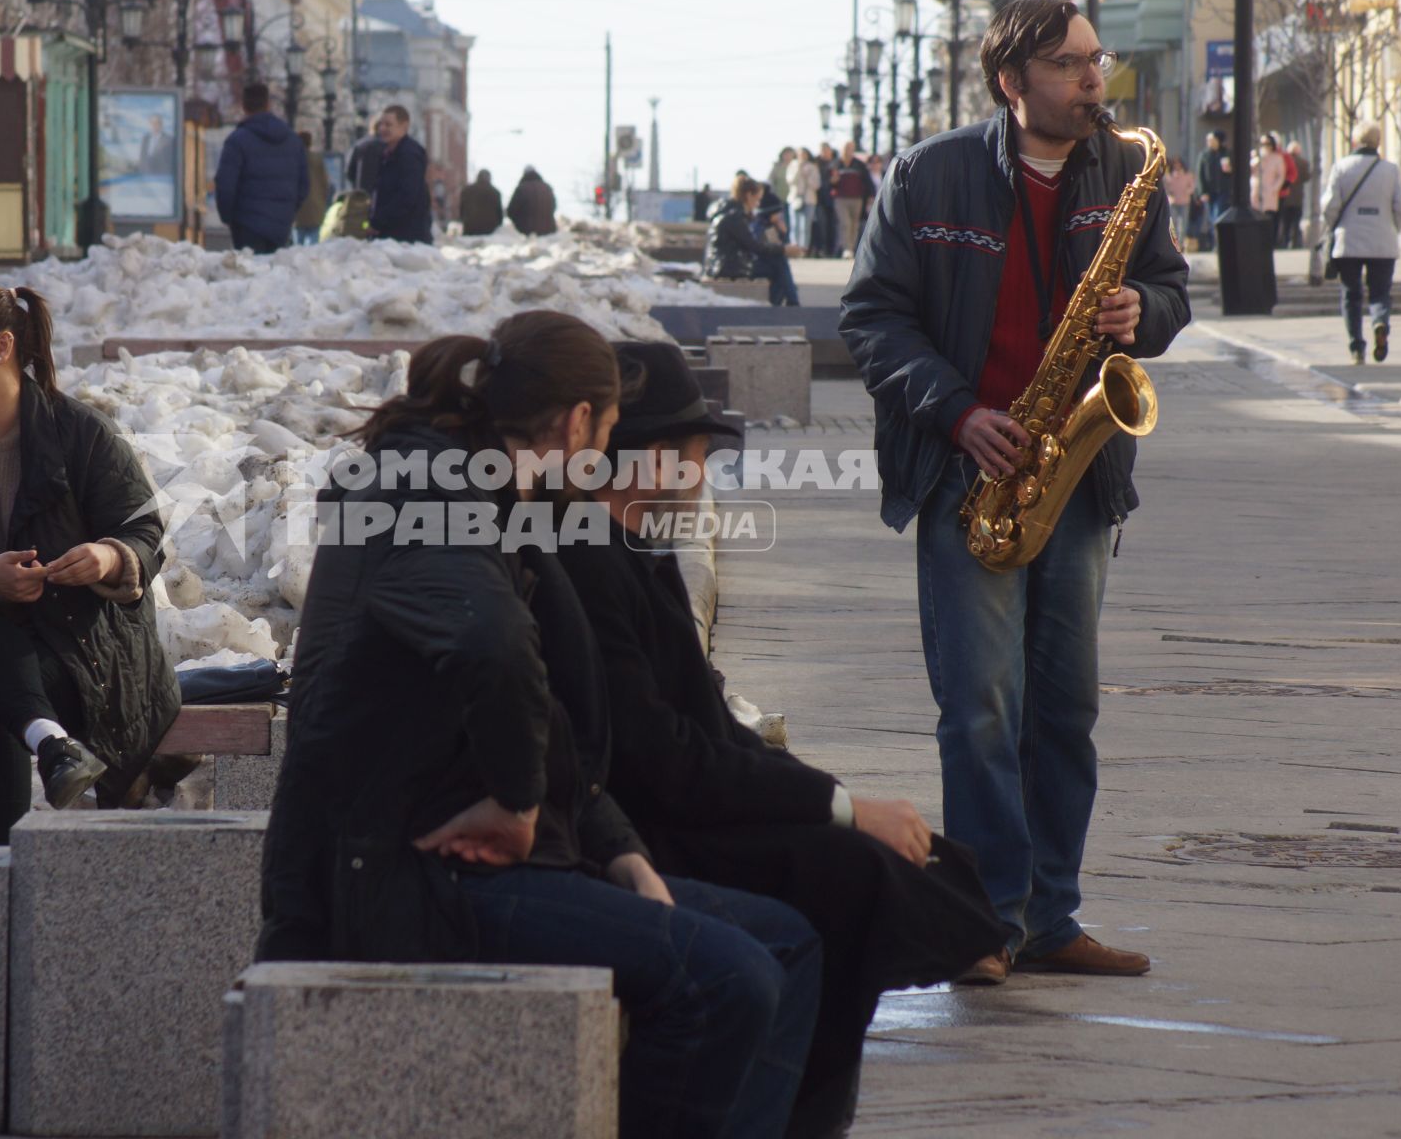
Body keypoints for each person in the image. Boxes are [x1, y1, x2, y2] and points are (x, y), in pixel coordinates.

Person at [257, 310, 823, 1139]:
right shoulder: (427, 489)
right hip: (406, 871)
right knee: (728, 980)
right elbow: (495, 647)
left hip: (495, 852)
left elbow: (553, 714)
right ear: (577, 421)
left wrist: (622, 849)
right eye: (611, 427)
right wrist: (519, 808)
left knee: (788, 944)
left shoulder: (493, 492)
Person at [559, 340, 1010, 1133]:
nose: (704, 477)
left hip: (667, 808)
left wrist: (833, 801)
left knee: (920, 863)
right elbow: (662, 759)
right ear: (655, 460)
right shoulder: (588, 559)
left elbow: (705, 729)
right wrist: (839, 809)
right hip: (634, 831)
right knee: (848, 885)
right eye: (699, 456)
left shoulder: (631, 553)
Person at [839, 0, 1191, 985]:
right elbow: (871, 318)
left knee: (1065, 707)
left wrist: (1143, 308)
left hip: (1075, 473)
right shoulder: (930, 172)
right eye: (1072, 66)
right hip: (970, 467)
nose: (1094, 81)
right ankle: (986, 922)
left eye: (1095, 60)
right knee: (983, 707)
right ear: (1011, 82)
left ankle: (1054, 915)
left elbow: (1171, 288)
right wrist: (956, 412)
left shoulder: (1123, 167)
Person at [0, 282, 180, 846]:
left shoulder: (82, 433)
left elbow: (143, 532)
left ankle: (2, 863)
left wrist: (105, 556)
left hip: (75, 652)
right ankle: (50, 747)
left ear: (3, 347)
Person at [1321, 122, 1401, 366]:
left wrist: (1333, 227)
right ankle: (1379, 321)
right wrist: (1392, 228)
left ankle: (1356, 349)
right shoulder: (1390, 170)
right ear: (1378, 142)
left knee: (1351, 295)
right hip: (1382, 242)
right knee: (1380, 292)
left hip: (1348, 241)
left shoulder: (1341, 168)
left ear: (1354, 141)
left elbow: (1329, 206)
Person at [213, 83, 309, 255]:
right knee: (274, 276)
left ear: (243, 106)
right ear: (267, 105)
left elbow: (225, 184)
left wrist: (228, 217)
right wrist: (287, 211)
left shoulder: (236, 141)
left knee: (251, 276)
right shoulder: (293, 141)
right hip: (281, 225)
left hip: (246, 224)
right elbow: (304, 186)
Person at [705, 176, 800, 306]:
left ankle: (786, 303)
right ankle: (786, 304)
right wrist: (785, 249)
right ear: (749, 195)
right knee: (779, 264)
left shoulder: (731, 212)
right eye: (757, 199)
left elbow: (753, 245)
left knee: (778, 263)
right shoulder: (734, 217)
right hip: (727, 266)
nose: (758, 204)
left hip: (724, 263)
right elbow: (754, 247)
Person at [366, 104, 432, 243]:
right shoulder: (389, 153)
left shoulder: (409, 154)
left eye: (388, 125)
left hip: (407, 237)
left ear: (404, 126)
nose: (382, 129)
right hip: (393, 234)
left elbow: (407, 196)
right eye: (381, 124)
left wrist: (378, 221)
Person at [830, 141, 872, 256]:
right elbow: (828, 182)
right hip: (840, 198)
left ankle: (851, 248)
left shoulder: (859, 165)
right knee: (845, 223)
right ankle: (846, 248)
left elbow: (866, 181)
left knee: (854, 224)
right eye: (846, 148)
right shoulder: (835, 164)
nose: (848, 150)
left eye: (850, 148)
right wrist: (833, 181)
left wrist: (870, 196)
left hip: (856, 198)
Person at [292, 131, 329, 246]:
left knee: (299, 241)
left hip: (299, 207)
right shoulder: (317, 158)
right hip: (316, 204)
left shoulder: (294, 159)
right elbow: (325, 183)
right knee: (314, 240)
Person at [1197, 130, 1231, 248]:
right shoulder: (1205, 155)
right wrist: (1202, 192)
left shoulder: (1226, 153)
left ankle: (1220, 243)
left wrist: (1230, 169)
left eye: (1212, 140)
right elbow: (1200, 174)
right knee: (1212, 218)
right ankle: (1216, 242)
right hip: (1210, 192)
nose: (1209, 142)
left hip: (1223, 191)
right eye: (1208, 140)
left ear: (1219, 141)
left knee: (1219, 215)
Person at [507, 165, 558, 236]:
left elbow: (511, 210)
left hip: (527, 230)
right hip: (549, 231)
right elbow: (554, 207)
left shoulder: (522, 188)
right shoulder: (547, 187)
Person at [786, 147, 818, 250]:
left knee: (805, 225)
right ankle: (795, 246)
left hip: (809, 199)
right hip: (795, 198)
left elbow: (816, 185)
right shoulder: (793, 165)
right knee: (795, 225)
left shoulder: (812, 167)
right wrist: (798, 170)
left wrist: (807, 177)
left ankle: (804, 248)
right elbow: (790, 181)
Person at [1250, 132, 1285, 219]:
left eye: (1268, 144)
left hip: (1269, 190)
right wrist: (1258, 159)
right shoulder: (1255, 155)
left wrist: (1275, 188)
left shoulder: (1277, 158)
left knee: (1268, 216)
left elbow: (1281, 175)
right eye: (1263, 144)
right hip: (1256, 189)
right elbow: (1250, 169)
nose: (1265, 146)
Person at [345, 118, 386, 193]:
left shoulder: (359, 145)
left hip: (361, 194)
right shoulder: (388, 146)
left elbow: (349, 172)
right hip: (383, 193)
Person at [458, 168, 503, 236]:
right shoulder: (495, 193)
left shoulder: (467, 191)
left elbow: (462, 210)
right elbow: (499, 214)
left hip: (470, 229)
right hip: (490, 231)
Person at [813, 143, 840, 256]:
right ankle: (822, 249)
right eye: (822, 150)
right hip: (819, 199)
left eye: (826, 150)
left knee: (833, 226)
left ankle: (832, 250)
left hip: (833, 199)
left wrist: (835, 180)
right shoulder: (816, 164)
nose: (825, 152)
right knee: (821, 225)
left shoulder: (836, 164)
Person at [1278, 140, 1306, 249]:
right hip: (1298, 197)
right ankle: (1296, 244)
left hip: (1285, 195)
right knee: (1296, 222)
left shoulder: (1284, 160)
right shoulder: (1303, 162)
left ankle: (1284, 243)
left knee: (1285, 222)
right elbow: (1307, 176)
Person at [1163, 156, 1195, 250]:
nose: (1177, 166)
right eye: (1175, 164)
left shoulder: (1187, 175)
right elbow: (1166, 189)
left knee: (1183, 224)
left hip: (1184, 201)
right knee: (1174, 223)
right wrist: (1170, 196)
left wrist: (1188, 192)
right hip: (1173, 202)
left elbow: (1192, 186)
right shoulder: (1169, 176)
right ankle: (1174, 244)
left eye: (1179, 164)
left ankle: (1180, 243)